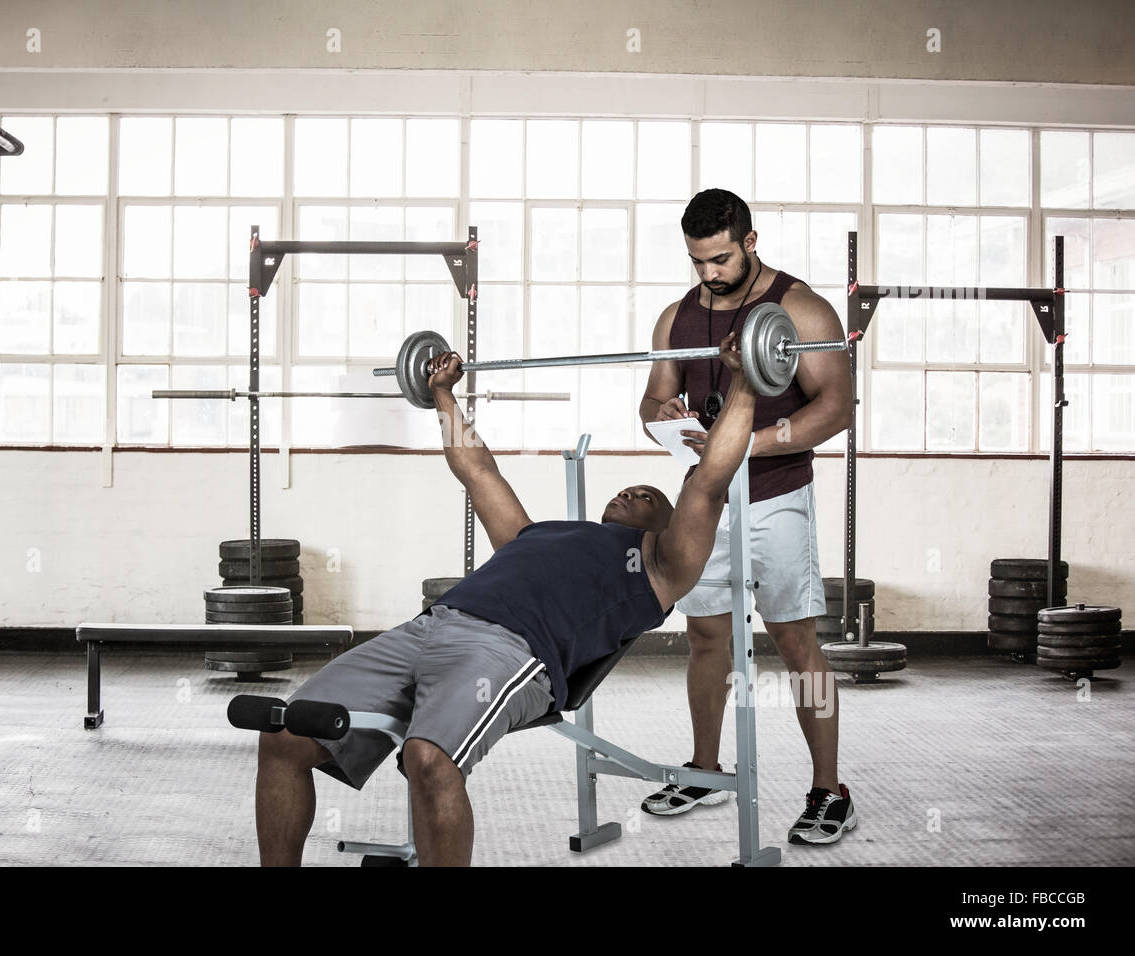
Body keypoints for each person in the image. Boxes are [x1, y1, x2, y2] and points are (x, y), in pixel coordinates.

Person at [255, 332, 757, 866]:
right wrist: (443, 393)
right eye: (627, 489)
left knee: (430, 759)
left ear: (669, 522)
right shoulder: (532, 534)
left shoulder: (661, 565)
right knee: (286, 730)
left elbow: (707, 482)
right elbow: (478, 471)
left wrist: (746, 383)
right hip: (428, 626)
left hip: (510, 651)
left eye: (647, 496)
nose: (629, 493)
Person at [637, 188, 856, 845]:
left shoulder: (799, 306)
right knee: (706, 636)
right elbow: (652, 400)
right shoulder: (676, 318)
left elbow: (835, 407)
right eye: (698, 262)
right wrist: (662, 421)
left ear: (750, 242)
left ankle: (828, 790)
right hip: (705, 501)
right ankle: (704, 771)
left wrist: (749, 442)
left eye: (722, 259)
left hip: (778, 495)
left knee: (795, 641)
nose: (710, 274)